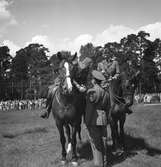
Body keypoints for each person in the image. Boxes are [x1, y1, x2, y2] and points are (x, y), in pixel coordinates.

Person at [85, 70, 110, 167]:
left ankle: (99, 164)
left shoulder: (93, 92)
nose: (91, 80)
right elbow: (108, 108)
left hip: (94, 120)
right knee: (103, 142)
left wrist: (87, 122)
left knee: (96, 144)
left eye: (92, 79)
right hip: (103, 120)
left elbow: (90, 109)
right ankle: (104, 163)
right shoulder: (106, 93)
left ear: (94, 81)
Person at [97, 50, 133, 115]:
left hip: (113, 82)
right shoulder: (100, 64)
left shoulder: (115, 62)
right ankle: (99, 110)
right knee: (100, 96)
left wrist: (114, 77)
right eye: (105, 54)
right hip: (104, 83)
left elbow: (118, 72)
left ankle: (126, 107)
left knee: (120, 93)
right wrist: (101, 73)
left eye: (108, 54)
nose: (107, 56)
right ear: (104, 55)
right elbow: (97, 75)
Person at [40, 52, 66, 119]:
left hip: (65, 80)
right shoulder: (58, 63)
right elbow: (57, 73)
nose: (58, 58)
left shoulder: (64, 63)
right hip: (58, 80)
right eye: (58, 57)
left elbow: (63, 73)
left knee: (51, 90)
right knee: (50, 91)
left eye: (59, 56)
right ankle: (47, 110)